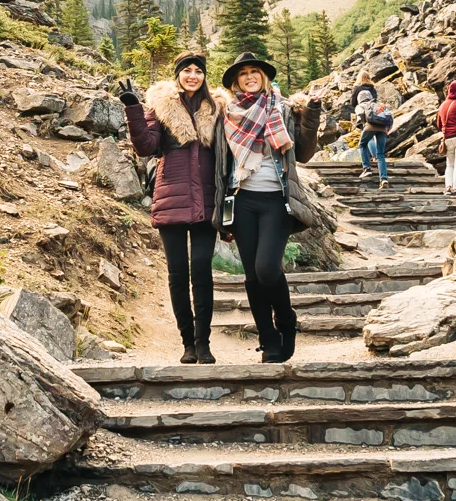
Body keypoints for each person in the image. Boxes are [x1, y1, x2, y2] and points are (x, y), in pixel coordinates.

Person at [215, 51, 320, 363]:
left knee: (266, 269)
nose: (250, 76)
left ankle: (286, 321)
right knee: (252, 276)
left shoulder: (282, 109)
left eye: (255, 71)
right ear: (236, 80)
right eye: (243, 72)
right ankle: (268, 339)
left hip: (277, 200)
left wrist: (311, 115)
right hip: (242, 199)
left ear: (264, 77)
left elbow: (303, 153)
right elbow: (219, 163)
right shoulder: (227, 114)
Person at [120, 55, 222, 363]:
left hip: (206, 199)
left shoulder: (216, 108)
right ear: (177, 75)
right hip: (171, 197)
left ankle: (204, 343)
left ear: (205, 76)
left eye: (198, 71)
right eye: (187, 71)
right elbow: (146, 147)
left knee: (202, 271)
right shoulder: (161, 107)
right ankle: (188, 344)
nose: (193, 75)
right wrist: (134, 111)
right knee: (178, 274)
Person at [352, 73, 391, 188]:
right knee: (381, 154)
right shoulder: (378, 104)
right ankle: (383, 179)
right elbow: (388, 116)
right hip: (383, 128)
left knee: (362, 144)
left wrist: (363, 122)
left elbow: (360, 115)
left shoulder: (360, 105)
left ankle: (367, 168)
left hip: (369, 126)